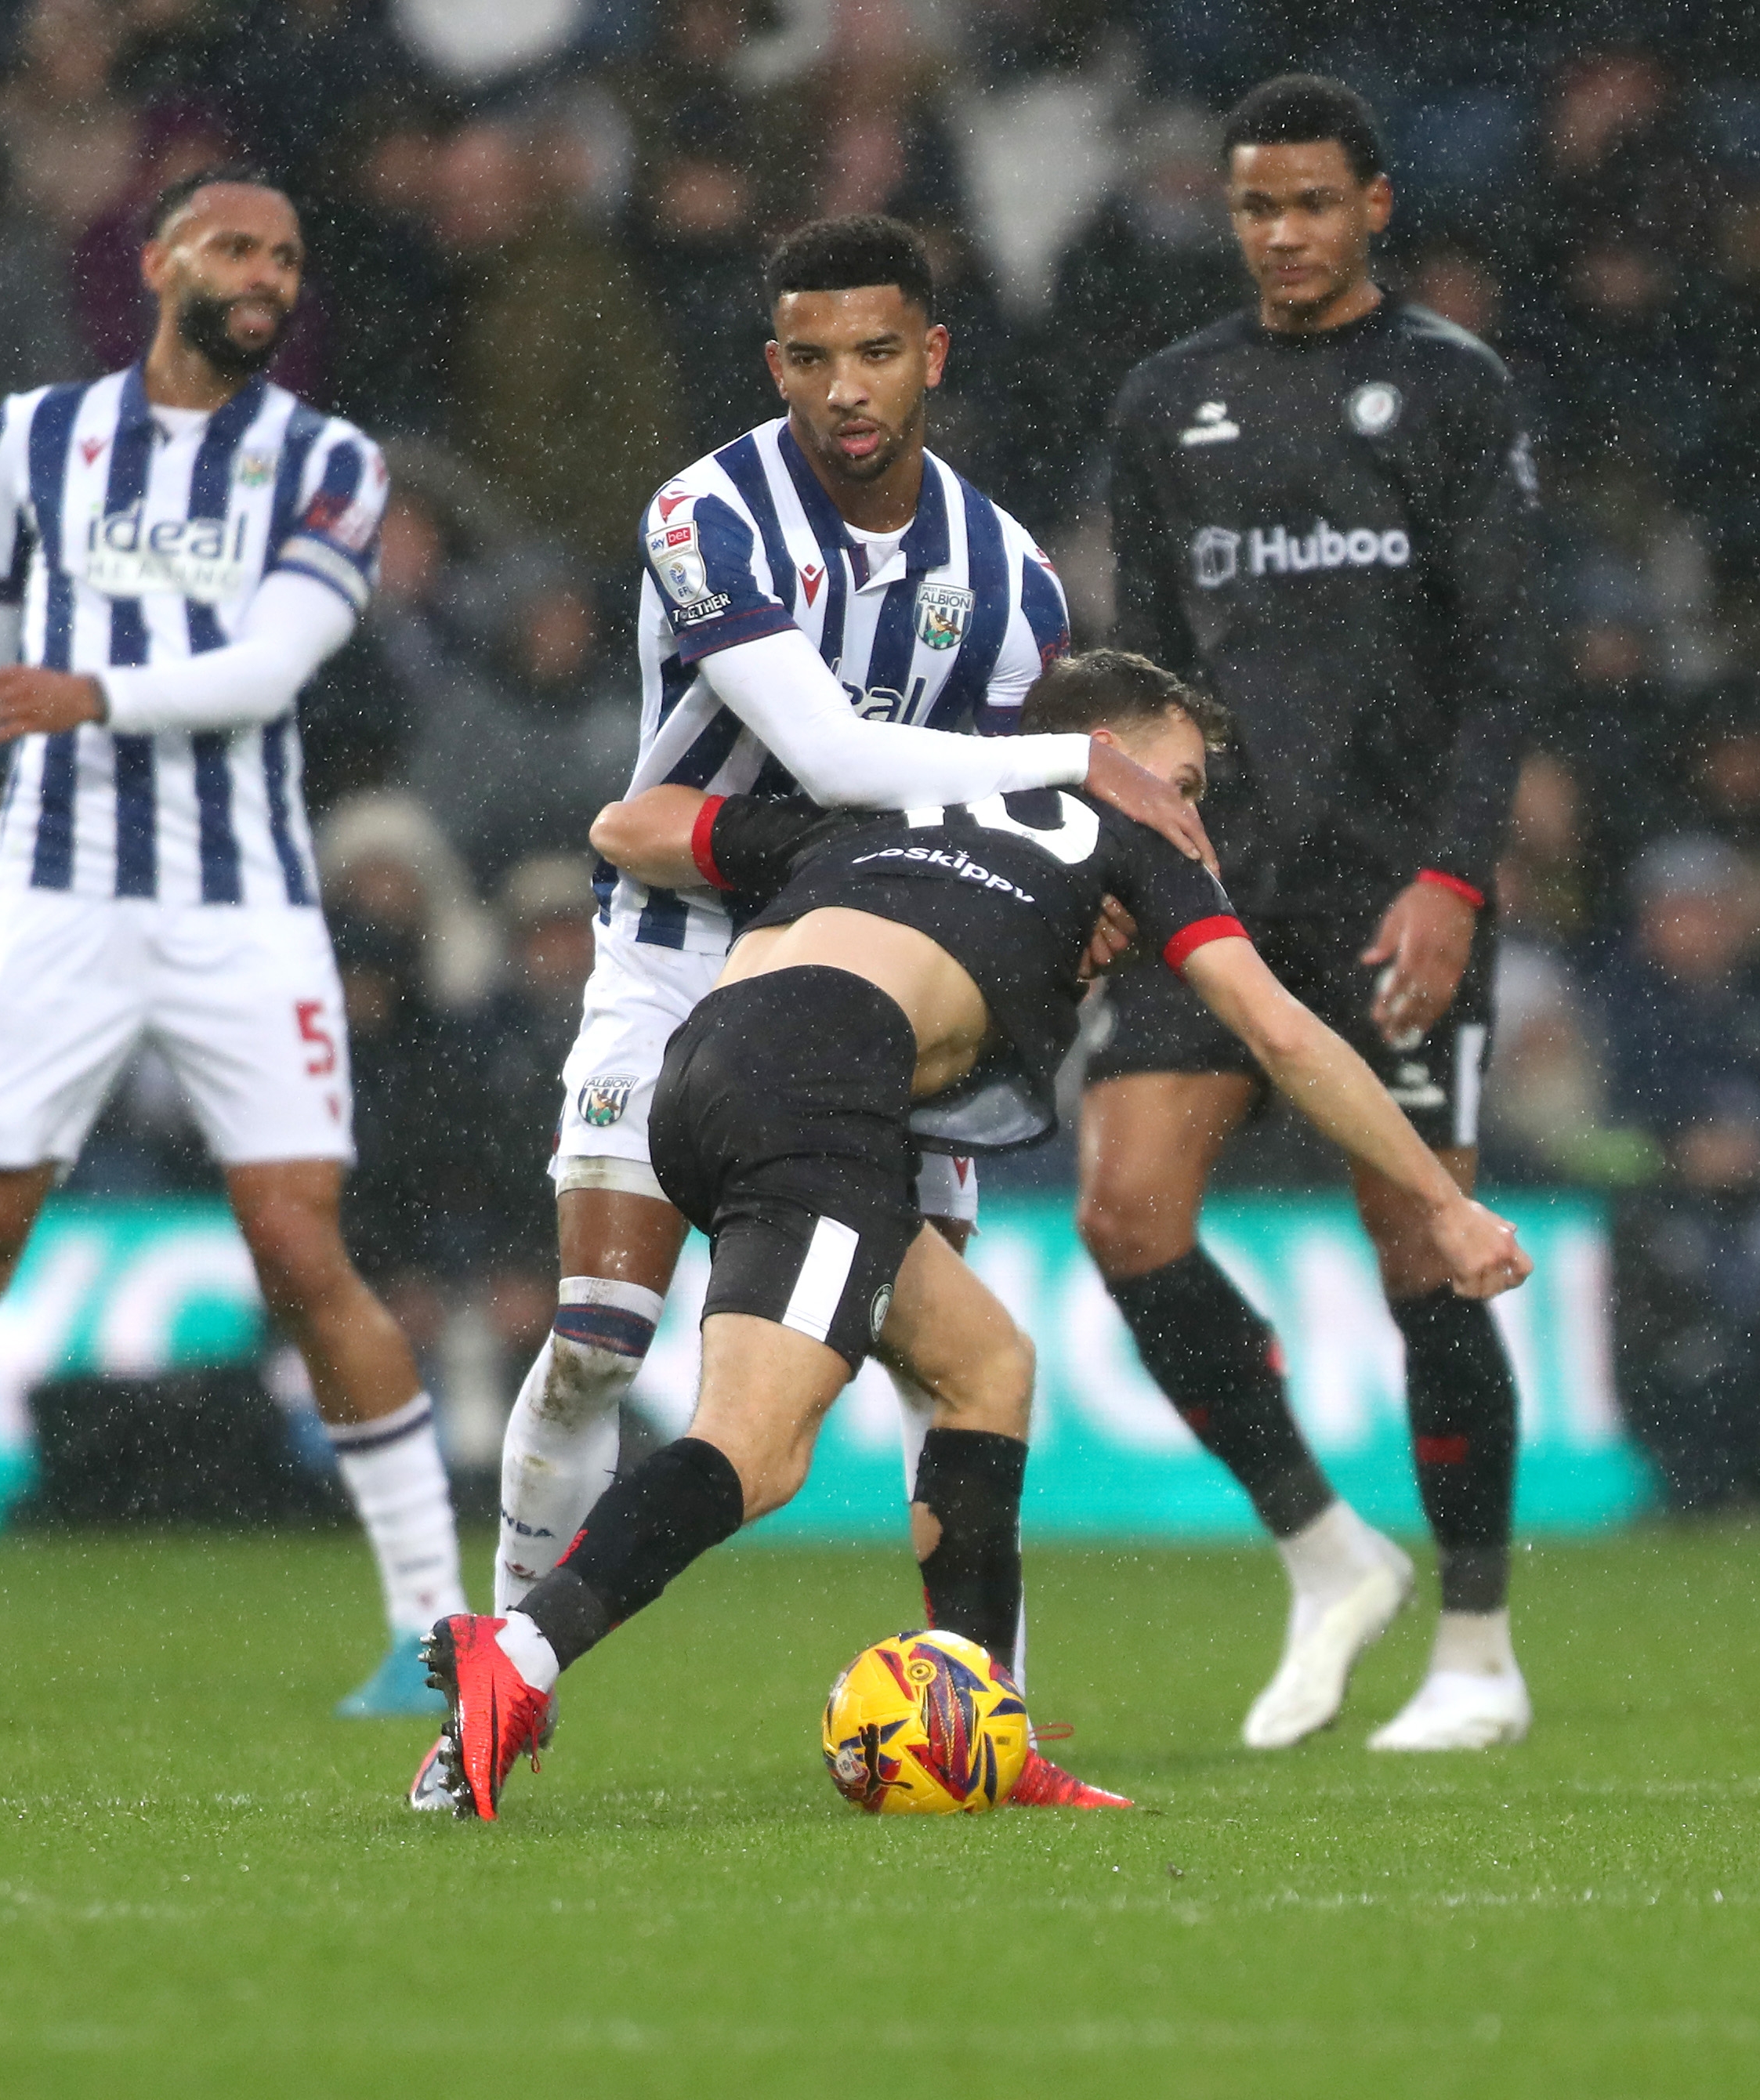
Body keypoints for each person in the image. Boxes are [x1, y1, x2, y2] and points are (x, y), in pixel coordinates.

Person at [425, 650, 1531, 1820]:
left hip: (706, 1065)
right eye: (1185, 776)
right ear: (1116, 746)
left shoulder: (901, 801)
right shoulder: (1130, 833)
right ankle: (523, 1653)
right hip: (821, 1079)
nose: (1190, 811)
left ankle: (981, 1724)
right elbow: (1285, 1036)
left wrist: (846, 851)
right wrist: (1442, 1204)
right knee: (757, 1451)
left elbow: (627, 829)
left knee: (984, 1366)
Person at [478, 215, 1209, 1765]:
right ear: (774, 366)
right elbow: (832, 754)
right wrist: (1080, 757)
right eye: (810, 359)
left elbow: (1000, 829)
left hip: (873, 993)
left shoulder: (1003, 576)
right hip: (682, 958)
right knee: (604, 1336)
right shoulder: (706, 513)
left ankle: (982, 1728)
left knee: (954, 1359)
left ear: (931, 355)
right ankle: (502, 1671)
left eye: (877, 353)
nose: (845, 389)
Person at [0, 167, 469, 1725]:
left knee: (302, 1246)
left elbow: (269, 669)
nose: (268, 273)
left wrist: (101, 695)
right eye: (240, 245)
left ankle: (434, 1626)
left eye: (290, 254)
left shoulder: (328, 461)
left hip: (241, 905)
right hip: (48, 900)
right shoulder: (28, 440)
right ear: (159, 260)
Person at [1086, 75, 1545, 1754]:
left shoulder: (1445, 388)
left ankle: (1479, 1651)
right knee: (1126, 1213)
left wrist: (1451, 879)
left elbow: (1504, 666)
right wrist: (1125, 858)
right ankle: (1321, 1542)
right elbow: (1142, 674)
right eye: (1253, 207)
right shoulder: (1168, 400)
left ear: (1374, 206)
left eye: (1308, 204)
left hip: (1389, 887)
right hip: (1219, 885)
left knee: (1426, 1240)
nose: (1279, 234)